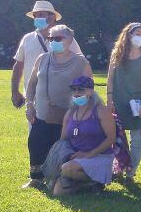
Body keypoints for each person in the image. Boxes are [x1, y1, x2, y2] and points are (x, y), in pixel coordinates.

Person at [23, 25, 92, 189]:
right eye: (51, 38)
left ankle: (58, 177)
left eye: (58, 38)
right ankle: (36, 178)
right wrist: (29, 104)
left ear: (70, 40)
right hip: (41, 113)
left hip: (67, 117)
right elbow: (32, 84)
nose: (53, 41)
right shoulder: (42, 59)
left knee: (60, 148)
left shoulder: (80, 62)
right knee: (36, 143)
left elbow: (89, 89)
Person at [51, 76, 117, 196]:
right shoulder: (70, 113)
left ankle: (96, 180)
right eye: (74, 90)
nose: (76, 93)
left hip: (100, 156)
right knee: (58, 192)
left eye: (81, 90)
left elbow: (111, 138)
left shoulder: (102, 111)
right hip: (76, 158)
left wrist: (89, 154)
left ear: (91, 91)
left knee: (67, 169)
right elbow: (63, 140)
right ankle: (88, 185)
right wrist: (65, 155)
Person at [106, 22, 141, 182]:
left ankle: (131, 172)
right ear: (129, 35)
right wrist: (109, 99)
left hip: (138, 102)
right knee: (118, 138)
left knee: (137, 139)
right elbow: (110, 79)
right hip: (119, 100)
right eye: (138, 34)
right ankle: (118, 168)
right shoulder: (117, 53)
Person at [12, 0, 82, 109]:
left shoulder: (66, 39)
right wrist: (14, 91)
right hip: (33, 99)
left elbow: (80, 64)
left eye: (40, 15)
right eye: (35, 16)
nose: (37, 18)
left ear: (52, 17)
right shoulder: (27, 39)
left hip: (60, 99)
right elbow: (18, 65)